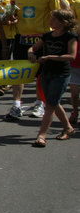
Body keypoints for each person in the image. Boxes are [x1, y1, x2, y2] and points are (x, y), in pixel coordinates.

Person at [3, 0, 60, 122]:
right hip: (21, 38)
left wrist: (56, 36)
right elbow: (12, 15)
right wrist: (10, 18)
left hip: (42, 38)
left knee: (41, 73)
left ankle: (39, 104)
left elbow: (57, 15)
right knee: (18, 72)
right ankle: (16, 105)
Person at [28, 9, 77, 147]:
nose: (51, 21)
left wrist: (50, 57)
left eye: (54, 19)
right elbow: (33, 48)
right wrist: (31, 53)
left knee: (50, 105)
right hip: (46, 72)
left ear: (63, 22)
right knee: (52, 102)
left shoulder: (70, 36)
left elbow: (71, 56)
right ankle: (68, 128)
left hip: (61, 74)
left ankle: (41, 135)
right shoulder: (48, 35)